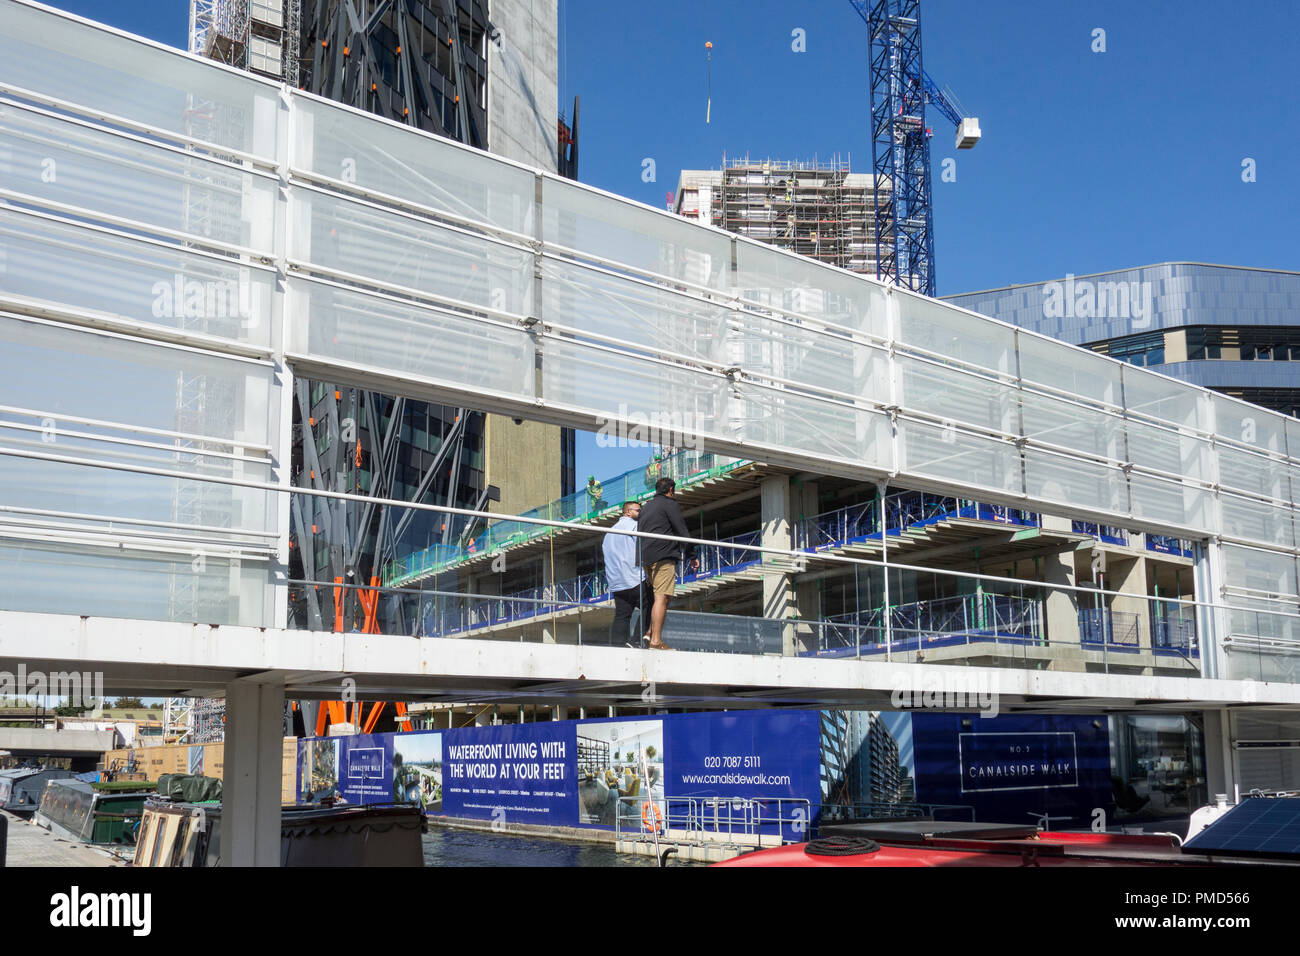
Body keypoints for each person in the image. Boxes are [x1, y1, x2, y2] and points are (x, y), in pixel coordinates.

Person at [636, 477, 698, 650]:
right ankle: (656, 641)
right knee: (662, 597)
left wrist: (640, 561)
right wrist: (692, 554)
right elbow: (681, 530)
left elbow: (640, 534)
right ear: (671, 489)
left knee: (664, 597)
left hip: (646, 557)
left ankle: (649, 632)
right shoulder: (670, 504)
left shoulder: (646, 507)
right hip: (663, 556)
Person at [602, 500, 643, 646]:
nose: (641, 513)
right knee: (652, 605)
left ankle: (618, 646)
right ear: (628, 512)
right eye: (638, 510)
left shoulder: (609, 533)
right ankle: (638, 639)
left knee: (622, 615)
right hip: (634, 577)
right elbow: (643, 547)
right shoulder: (634, 526)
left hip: (617, 582)